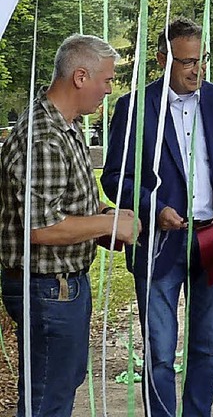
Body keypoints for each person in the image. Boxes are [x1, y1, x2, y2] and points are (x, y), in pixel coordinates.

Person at [101, 17, 213, 417]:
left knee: (206, 347)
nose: (197, 69)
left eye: (202, 60)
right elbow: (114, 176)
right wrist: (152, 206)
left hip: (212, 238)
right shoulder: (134, 107)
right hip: (159, 245)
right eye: (187, 62)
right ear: (163, 59)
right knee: (160, 352)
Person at [0, 34, 139, 417]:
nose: (108, 90)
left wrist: (108, 218)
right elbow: (39, 228)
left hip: (61, 287)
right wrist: (101, 224)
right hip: (47, 288)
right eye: (106, 80)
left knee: (60, 383)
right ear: (80, 76)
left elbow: (69, 201)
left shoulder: (67, 125)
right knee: (48, 398)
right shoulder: (43, 137)